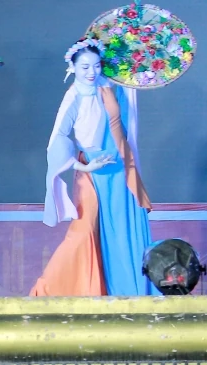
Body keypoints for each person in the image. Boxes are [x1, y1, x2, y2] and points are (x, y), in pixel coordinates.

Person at [31, 39, 155, 296]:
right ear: (73, 67)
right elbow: (57, 140)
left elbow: (125, 116)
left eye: (97, 66)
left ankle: (128, 291)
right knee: (84, 231)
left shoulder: (109, 87)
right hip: (94, 173)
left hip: (121, 169)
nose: (91, 72)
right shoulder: (74, 96)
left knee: (123, 230)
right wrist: (84, 167)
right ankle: (48, 291)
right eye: (85, 67)